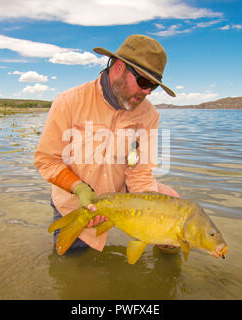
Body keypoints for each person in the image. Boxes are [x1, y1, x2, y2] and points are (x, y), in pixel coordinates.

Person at [35, 34, 179, 253]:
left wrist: (154, 217)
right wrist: (80, 188)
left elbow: (140, 173)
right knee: (72, 266)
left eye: (154, 86)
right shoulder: (69, 101)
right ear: (120, 67)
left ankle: (168, 272)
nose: (148, 92)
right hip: (75, 202)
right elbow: (47, 160)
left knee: (173, 209)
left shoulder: (149, 115)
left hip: (121, 200)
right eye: (144, 82)